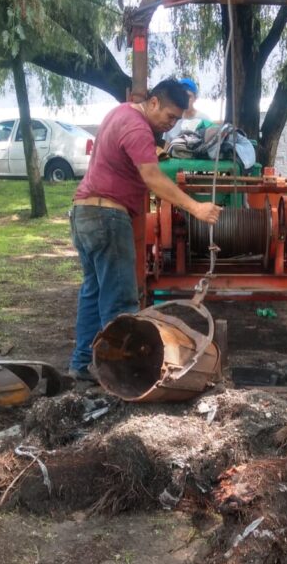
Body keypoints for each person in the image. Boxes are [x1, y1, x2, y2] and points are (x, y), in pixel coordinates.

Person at [68, 79, 221, 381]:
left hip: (83, 213)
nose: (170, 124)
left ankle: (83, 365)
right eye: (169, 116)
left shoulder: (119, 113)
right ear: (153, 103)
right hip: (107, 217)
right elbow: (152, 177)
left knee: (93, 292)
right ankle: (120, 376)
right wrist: (196, 208)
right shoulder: (138, 127)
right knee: (121, 300)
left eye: (177, 119)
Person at [163, 77, 208, 146]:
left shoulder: (204, 120)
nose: (186, 100)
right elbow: (167, 146)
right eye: (183, 96)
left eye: (189, 96)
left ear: (195, 98)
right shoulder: (171, 119)